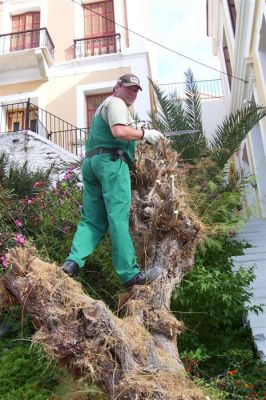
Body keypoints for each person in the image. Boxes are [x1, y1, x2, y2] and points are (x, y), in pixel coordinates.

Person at [61, 73, 164, 288]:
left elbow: (118, 132)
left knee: (92, 219)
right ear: (117, 87)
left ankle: (72, 263)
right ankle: (129, 274)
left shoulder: (105, 107)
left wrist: (139, 137)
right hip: (111, 163)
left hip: (92, 163)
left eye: (136, 90)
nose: (133, 93)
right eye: (129, 88)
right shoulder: (116, 102)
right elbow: (119, 131)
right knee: (117, 218)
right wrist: (144, 133)